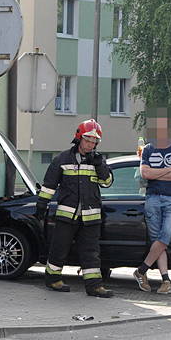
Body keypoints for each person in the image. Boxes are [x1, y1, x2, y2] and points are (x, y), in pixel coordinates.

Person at [36, 119, 114, 297]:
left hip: (91, 217)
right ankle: (53, 279)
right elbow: (49, 185)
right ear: (79, 138)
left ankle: (94, 286)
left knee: (91, 253)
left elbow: (107, 182)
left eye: (94, 142)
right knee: (59, 249)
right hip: (67, 215)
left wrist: (99, 165)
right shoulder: (62, 159)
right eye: (88, 140)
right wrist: (41, 205)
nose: (91, 145)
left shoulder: (98, 161)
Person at [132, 135, 171, 294]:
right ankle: (166, 281)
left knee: (166, 235)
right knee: (158, 240)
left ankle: (141, 270)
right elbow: (145, 174)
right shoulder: (148, 149)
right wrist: (170, 170)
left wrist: (157, 172)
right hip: (153, 198)